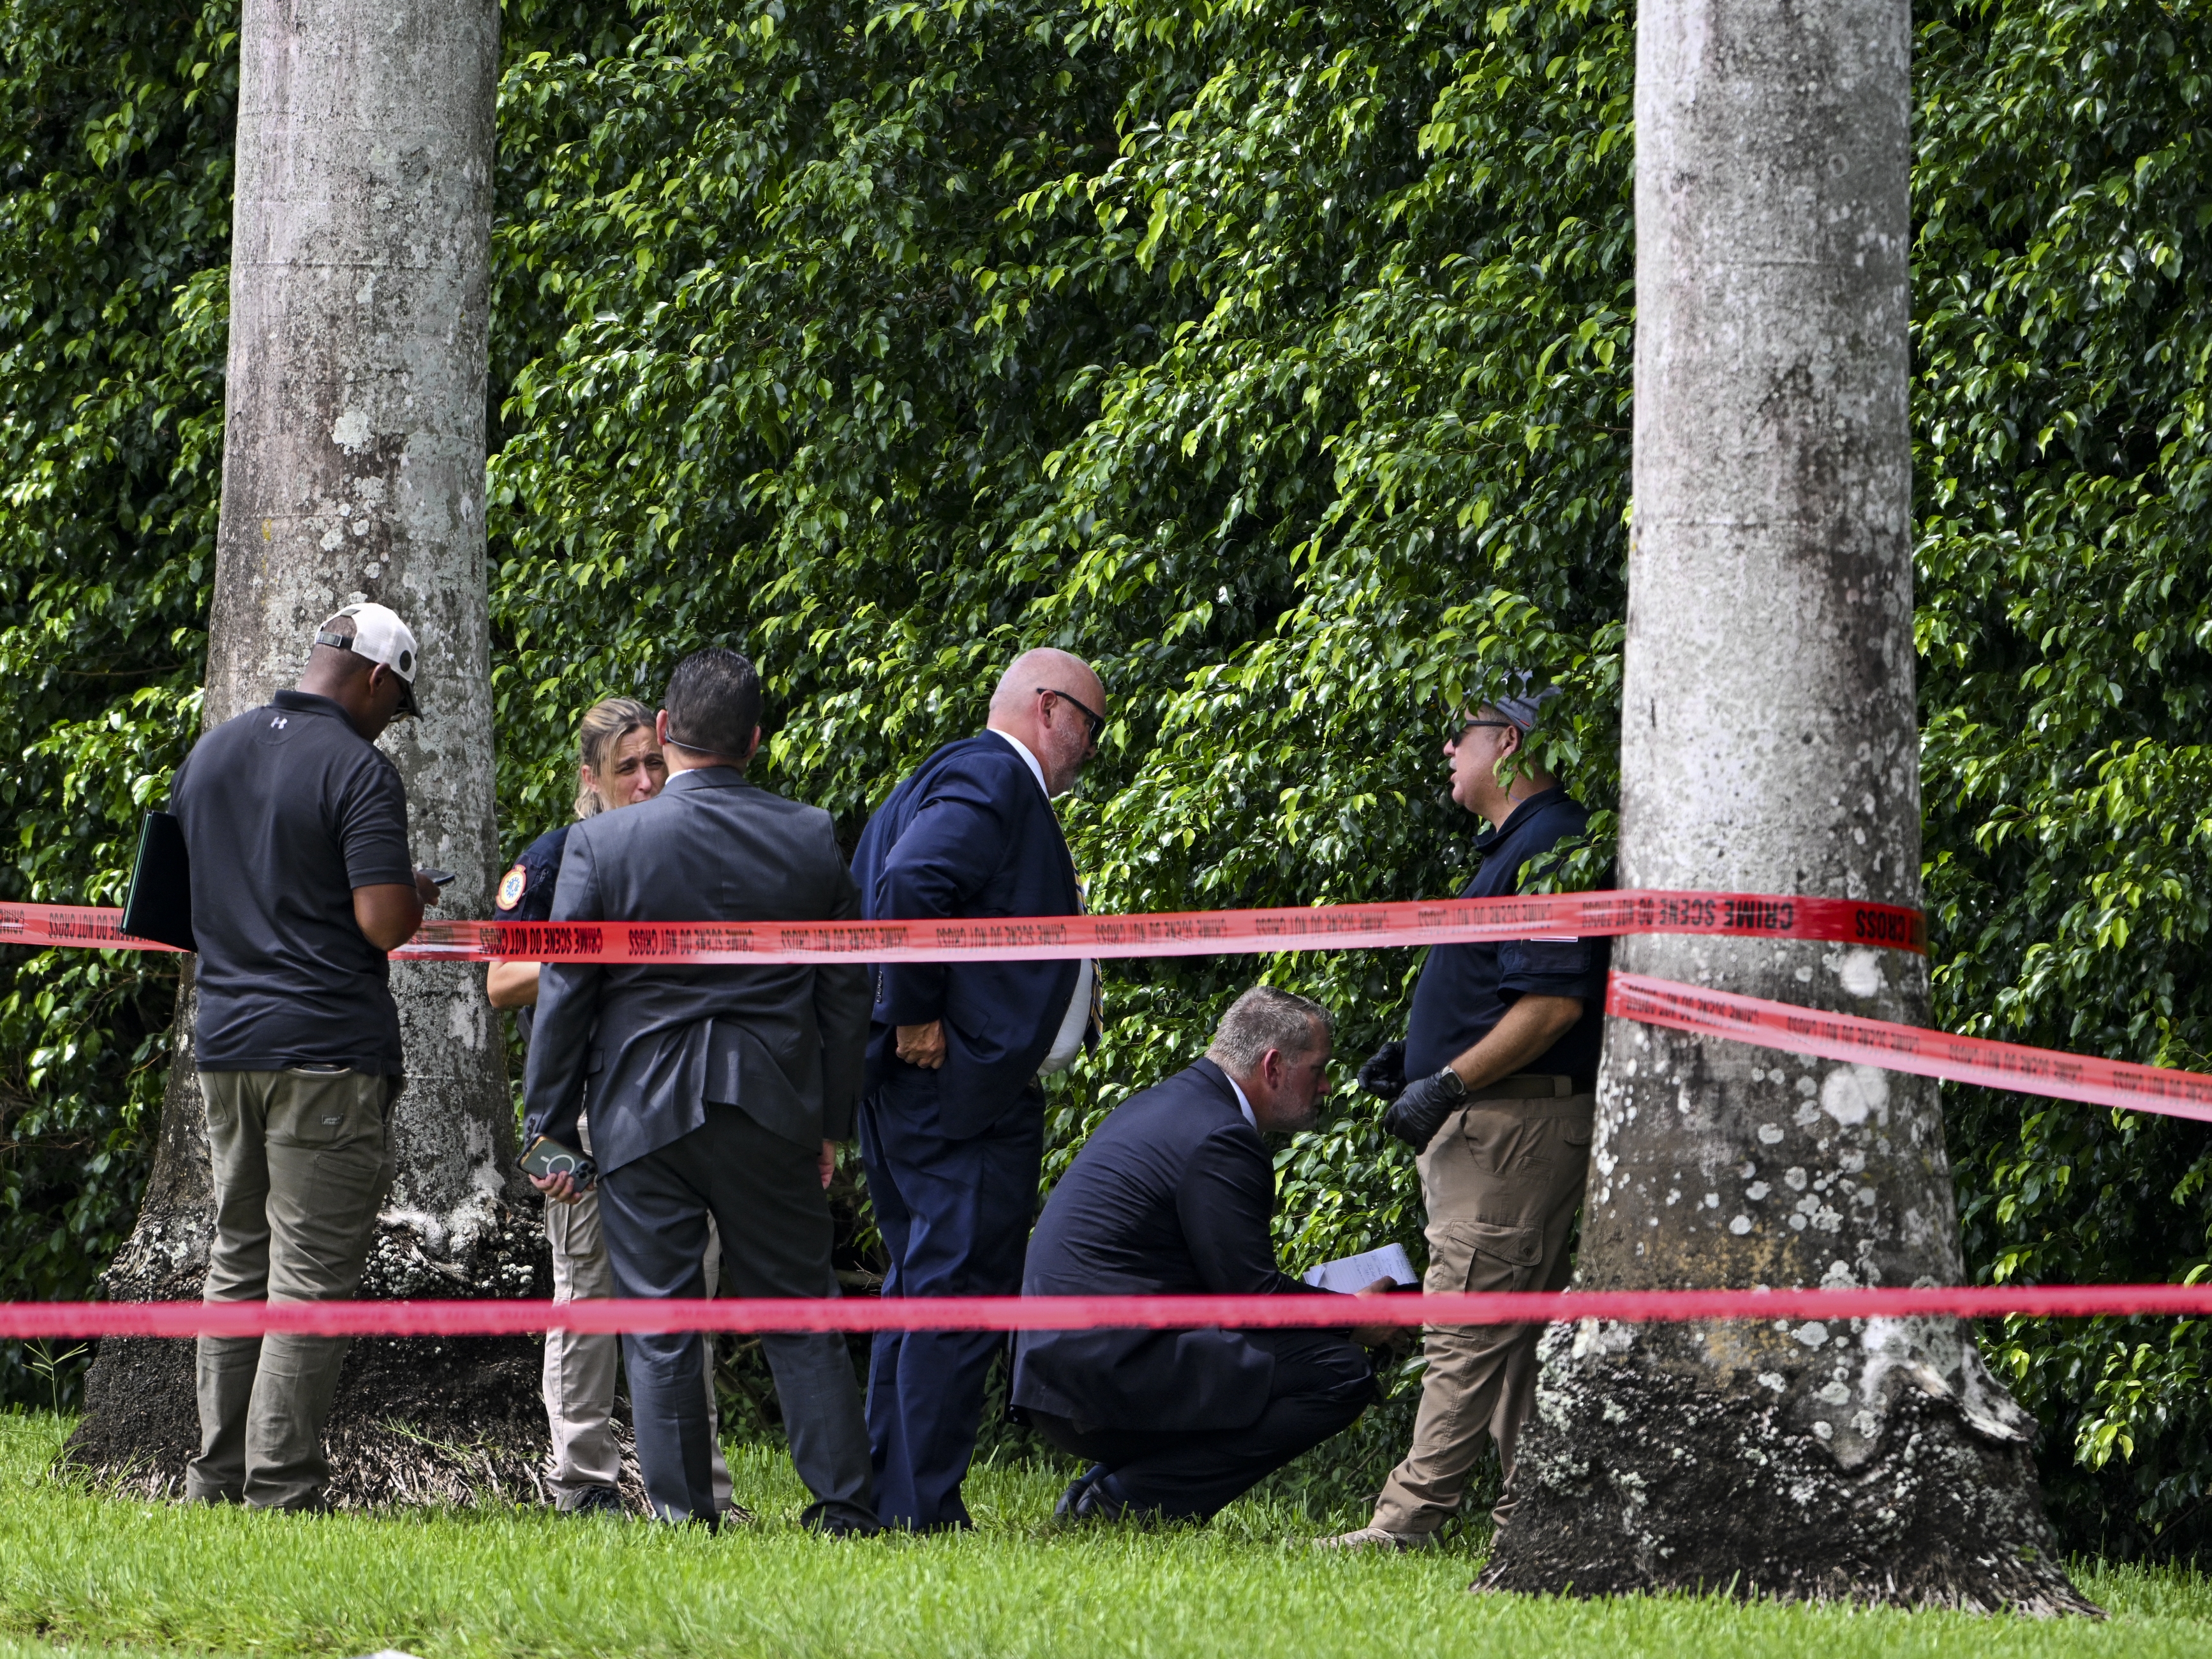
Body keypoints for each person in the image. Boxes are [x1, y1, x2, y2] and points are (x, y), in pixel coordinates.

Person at [521, 649, 876, 1533]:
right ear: (755, 740)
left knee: (662, 1320)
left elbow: (565, 993)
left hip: (641, 1112)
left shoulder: (601, 843)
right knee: (800, 1310)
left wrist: (545, 1127)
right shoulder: (808, 834)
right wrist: (831, 1121)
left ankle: (683, 1517)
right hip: (774, 1107)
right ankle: (844, 1505)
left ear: (666, 735)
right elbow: (846, 987)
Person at [1319, 677, 1608, 1551]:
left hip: (1509, 1133)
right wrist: (1411, 1064)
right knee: (1506, 1339)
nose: (1448, 750)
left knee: (1463, 1330)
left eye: (1461, 734)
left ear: (1510, 744)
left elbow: (1549, 1005)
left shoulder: (1550, 844)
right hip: (1492, 1130)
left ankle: (1401, 1525)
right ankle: (1535, 1522)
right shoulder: (1511, 847)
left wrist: (1445, 1082)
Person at [172, 602, 440, 1510]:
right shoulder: (358, 772)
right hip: (323, 1051)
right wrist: (411, 892)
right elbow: (381, 920)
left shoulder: (211, 753)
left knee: (235, 1261)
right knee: (308, 1277)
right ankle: (281, 1491)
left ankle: (214, 1479)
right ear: (374, 678)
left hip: (224, 1048)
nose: (389, 723)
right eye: (395, 704)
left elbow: (175, 910)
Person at [848, 646, 1108, 1531]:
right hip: (953, 1092)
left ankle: (889, 1494)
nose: (1092, 749)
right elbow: (913, 880)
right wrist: (915, 1012)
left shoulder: (948, 777)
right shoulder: (995, 777)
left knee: (921, 1286)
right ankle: (919, 1509)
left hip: (922, 1089)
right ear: (1048, 708)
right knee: (953, 1295)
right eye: (1092, 726)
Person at [487, 697, 738, 1518]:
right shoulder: (555, 857)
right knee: (585, 1294)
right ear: (588, 777)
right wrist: (588, 958)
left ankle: (706, 1489)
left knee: (689, 1295)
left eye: (653, 763)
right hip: (578, 1111)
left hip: (677, 1104)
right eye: (625, 766)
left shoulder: (687, 848)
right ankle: (583, 1480)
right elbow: (498, 981)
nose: (643, 780)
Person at [1013, 986, 1395, 1522]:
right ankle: (1127, 1503)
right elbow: (1252, 1299)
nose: (1326, 1085)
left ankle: (1104, 1487)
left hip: (1060, 1373)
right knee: (1338, 1371)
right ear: (1273, 1066)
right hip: (1103, 1384)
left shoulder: (1167, 1104)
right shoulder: (1221, 1137)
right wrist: (1356, 1316)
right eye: (1319, 1068)